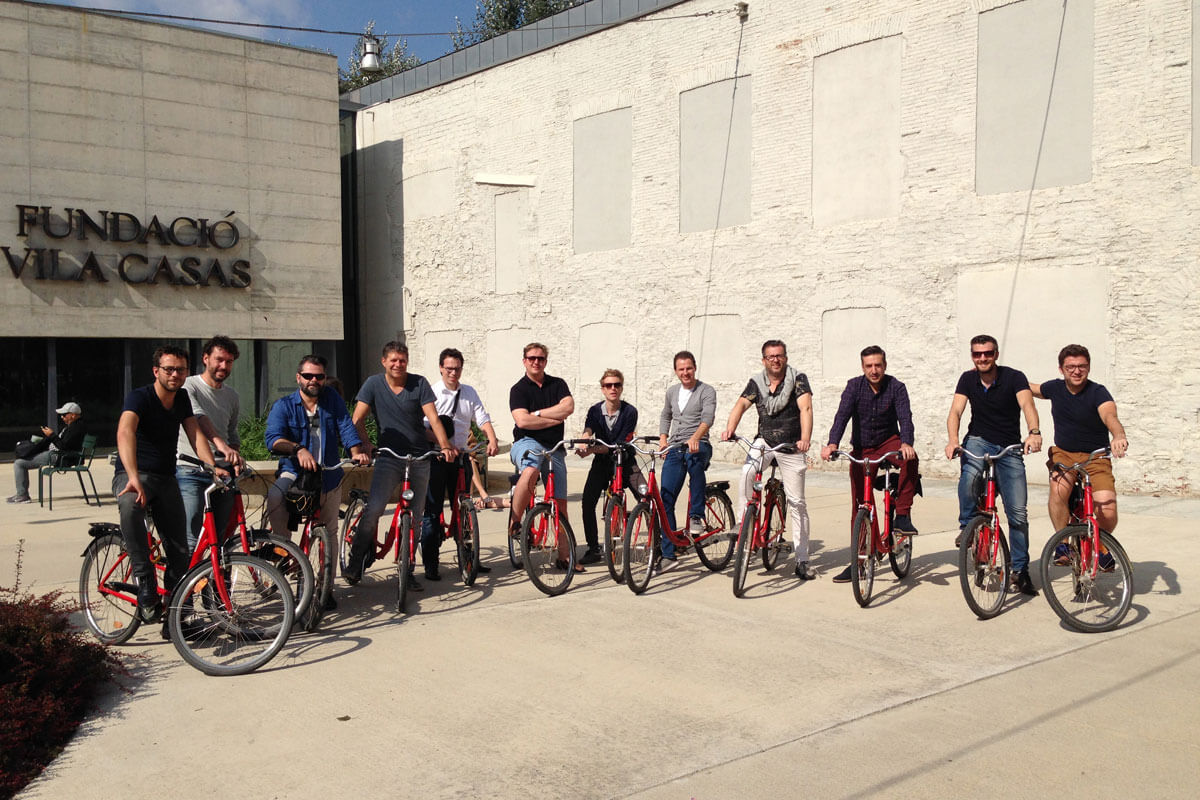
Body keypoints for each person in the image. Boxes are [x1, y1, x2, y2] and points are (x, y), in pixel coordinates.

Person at [113, 346, 220, 626]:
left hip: (166, 477)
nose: (175, 374)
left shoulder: (182, 397)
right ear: (156, 371)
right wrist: (132, 475)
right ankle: (145, 580)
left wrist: (212, 467)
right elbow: (125, 431)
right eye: (169, 369)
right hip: (136, 473)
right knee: (129, 505)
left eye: (181, 370)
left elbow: (195, 434)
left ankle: (176, 620)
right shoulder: (141, 396)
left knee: (180, 552)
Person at [344, 341, 455, 588]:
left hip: (419, 458)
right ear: (384, 361)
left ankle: (407, 569)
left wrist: (445, 446)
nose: (398, 364)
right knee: (374, 510)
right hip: (389, 457)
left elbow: (434, 418)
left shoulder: (419, 383)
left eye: (402, 360)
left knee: (415, 517)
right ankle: (355, 562)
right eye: (393, 360)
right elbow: (357, 418)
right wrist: (365, 444)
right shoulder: (373, 384)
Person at [264, 355, 369, 608]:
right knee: (275, 498)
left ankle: (325, 588)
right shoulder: (284, 406)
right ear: (298, 377)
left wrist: (356, 451)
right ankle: (283, 548)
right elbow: (273, 439)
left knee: (329, 531)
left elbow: (345, 425)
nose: (314, 380)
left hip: (329, 475)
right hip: (295, 472)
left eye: (319, 376)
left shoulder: (332, 400)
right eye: (308, 376)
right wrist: (297, 449)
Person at [945, 334, 1042, 596]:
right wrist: (953, 440)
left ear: (996, 354)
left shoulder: (1014, 377)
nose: (982, 358)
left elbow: (1027, 404)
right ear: (972, 356)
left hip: (1009, 448)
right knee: (969, 476)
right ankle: (967, 527)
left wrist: (1034, 432)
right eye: (977, 354)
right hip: (978, 440)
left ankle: (1020, 571)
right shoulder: (968, 379)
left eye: (987, 353)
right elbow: (956, 411)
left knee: (1018, 514)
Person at [821, 345, 919, 583]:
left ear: (884, 365)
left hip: (889, 442)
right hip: (863, 447)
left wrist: (906, 443)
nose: (874, 370)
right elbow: (842, 416)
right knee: (860, 506)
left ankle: (903, 515)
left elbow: (905, 418)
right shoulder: (854, 386)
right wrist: (832, 443)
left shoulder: (896, 387)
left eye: (878, 365)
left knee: (911, 459)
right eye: (869, 366)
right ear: (863, 367)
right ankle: (860, 561)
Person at [722, 340, 816, 580]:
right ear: (764, 360)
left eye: (780, 355)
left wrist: (805, 439)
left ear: (785, 357)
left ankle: (802, 559)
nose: (776, 360)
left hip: (791, 444)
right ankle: (744, 522)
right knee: (746, 473)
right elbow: (741, 404)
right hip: (764, 440)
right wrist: (729, 429)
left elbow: (805, 409)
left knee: (797, 503)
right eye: (771, 356)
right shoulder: (757, 382)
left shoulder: (798, 379)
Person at [419, 348, 499, 580]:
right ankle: (431, 564)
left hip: (462, 457)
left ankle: (469, 558)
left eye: (457, 368)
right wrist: (444, 446)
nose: (453, 373)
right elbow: (423, 429)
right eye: (449, 368)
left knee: (465, 508)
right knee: (432, 512)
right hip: (436, 458)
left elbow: (481, 418)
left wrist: (491, 438)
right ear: (441, 368)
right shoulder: (432, 393)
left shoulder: (469, 392)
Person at [1030, 344, 1128, 533]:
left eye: (1082, 366)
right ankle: (1062, 543)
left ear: (1089, 367)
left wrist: (1119, 436)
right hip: (1064, 454)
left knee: (1107, 511)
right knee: (1058, 491)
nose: (1076, 371)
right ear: (1061, 369)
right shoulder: (1055, 388)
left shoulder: (1098, 392)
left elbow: (1110, 417)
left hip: (1096, 457)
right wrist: (991, 373)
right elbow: (1028, 387)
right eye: (1070, 367)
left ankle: (1103, 546)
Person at [508, 342, 579, 570]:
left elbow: (568, 407)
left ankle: (565, 557)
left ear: (545, 361)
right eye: (531, 358)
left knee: (560, 504)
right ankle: (515, 521)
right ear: (524, 361)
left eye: (540, 358)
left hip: (555, 447)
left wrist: (537, 414)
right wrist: (552, 419)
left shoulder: (557, 384)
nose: (536, 362)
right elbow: (522, 421)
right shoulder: (518, 389)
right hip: (526, 441)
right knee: (532, 466)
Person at [176, 335, 245, 550]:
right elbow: (198, 418)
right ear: (206, 358)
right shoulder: (189, 385)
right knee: (191, 538)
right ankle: (187, 583)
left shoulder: (232, 396)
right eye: (219, 360)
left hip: (222, 472)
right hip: (191, 470)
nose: (223, 366)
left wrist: (233, 456)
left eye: (229, 361)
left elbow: (232, 435)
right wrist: (220, 444)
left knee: (223, 538)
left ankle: (218, 582)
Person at [658, 350, 717, 572]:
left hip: (698, 443)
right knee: (666, 497)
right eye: (681, 369)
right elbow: (666, 415)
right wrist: (663, 439)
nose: (685, 372)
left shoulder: (706, 391)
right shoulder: (672, 392)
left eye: (689, 368)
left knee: (695, 461)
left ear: (695, 368)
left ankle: (696, 516)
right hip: (675, 446)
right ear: (676, 371)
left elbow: (707, 418)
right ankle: (668, 553)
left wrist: (695, 438)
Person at [576, 369, 639, 565]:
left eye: (616, 385)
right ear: (602, 389)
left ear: (621, 387)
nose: (613, 389)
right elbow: (589, 428)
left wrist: (592, 449)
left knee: (647, 496)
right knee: (587, 502)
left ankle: (658, 545)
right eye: (608, 385)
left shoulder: (630, 411)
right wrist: (584, 439)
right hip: (601, 464)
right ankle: (593, 548)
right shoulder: (595, 410)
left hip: (625, 461)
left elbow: (619, 443)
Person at [9, 402, 86, 504]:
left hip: (61, 457)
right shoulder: (74, 426)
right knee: (25, 457)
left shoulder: (76, 428)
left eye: (64, 414)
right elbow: (63, 444)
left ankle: (22, 495)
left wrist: (52, 435)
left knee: (19, 463)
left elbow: (64, 447)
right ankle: (22, 494)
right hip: (59, 455)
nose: (62, 417)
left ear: (73, 415)